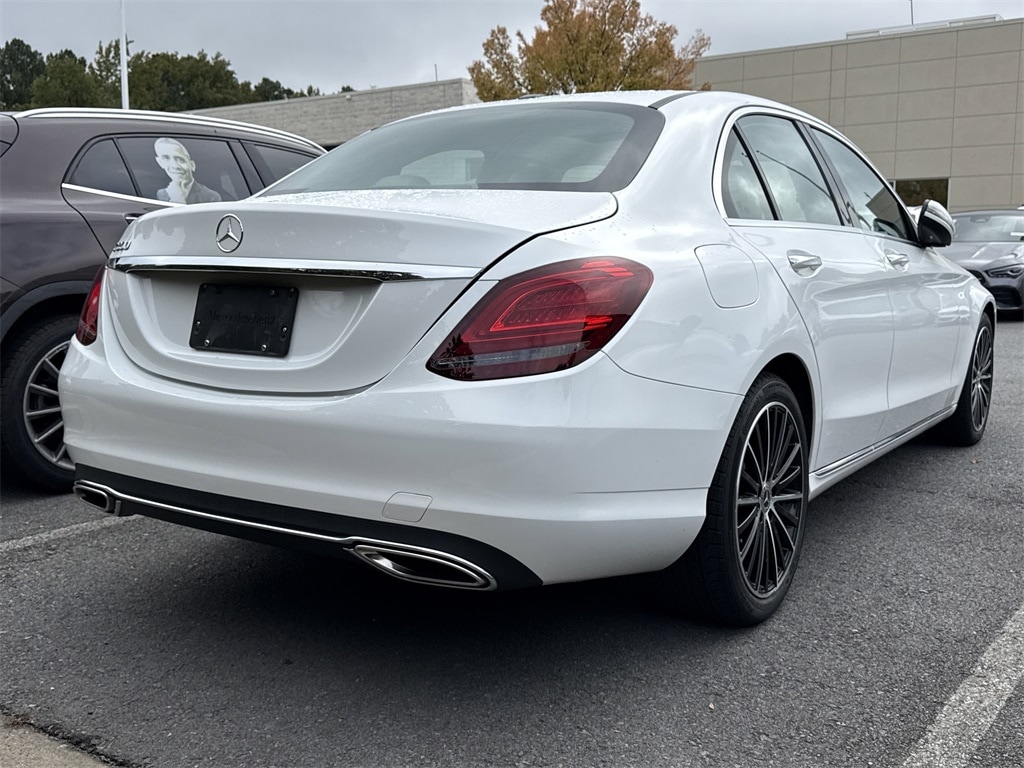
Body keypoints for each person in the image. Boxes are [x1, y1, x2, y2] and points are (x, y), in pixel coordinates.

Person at [154, 137, 222, 204]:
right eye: (166, 158)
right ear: (160, 163)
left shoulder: (211, 197)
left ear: (192, 165)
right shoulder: (161, 194)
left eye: (180, 159)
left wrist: (179, 200)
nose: (174, 166)